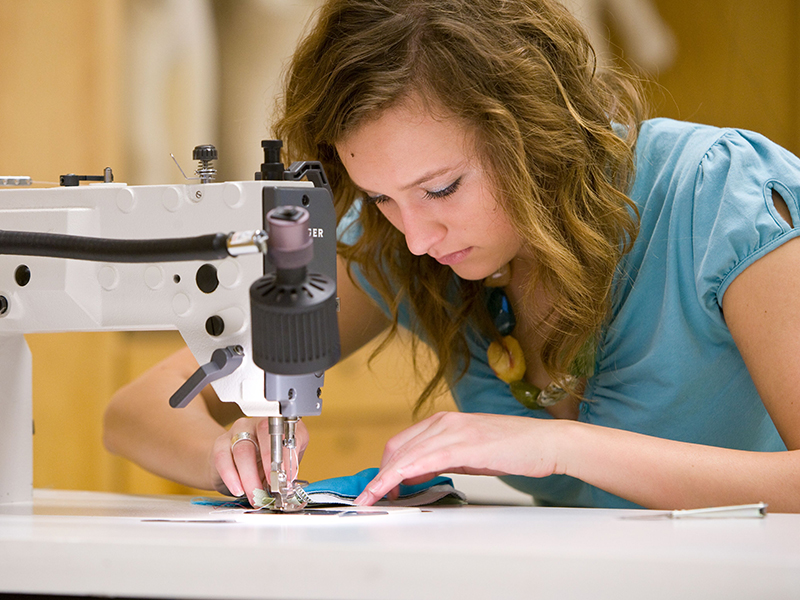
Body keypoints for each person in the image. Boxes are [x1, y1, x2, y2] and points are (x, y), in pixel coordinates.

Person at [104, 0, 800, 511]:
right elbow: (138, 408)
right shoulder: (394, 244)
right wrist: (226, 457)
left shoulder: (721, 198)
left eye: (441, 187)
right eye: (380, 197)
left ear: (537, 131)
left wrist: (558, 448)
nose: (415, 238)